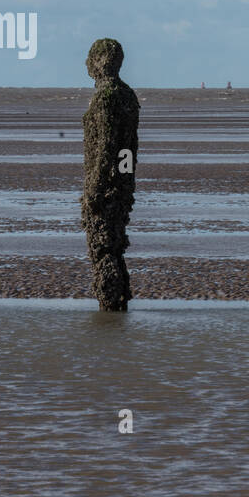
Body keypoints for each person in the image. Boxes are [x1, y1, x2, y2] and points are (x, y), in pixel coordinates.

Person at [81, 38, 140, 311]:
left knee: (103, 246)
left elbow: (107, 143)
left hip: (105, 184)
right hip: (122, 180)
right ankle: (120, 305)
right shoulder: (128, 95)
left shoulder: (106, 97)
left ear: (101, 60)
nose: (87, 65)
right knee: (115, 246)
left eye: (91, 58)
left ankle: (110, 311)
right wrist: (125, 177)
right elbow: (129, 146)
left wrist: (96, 185)